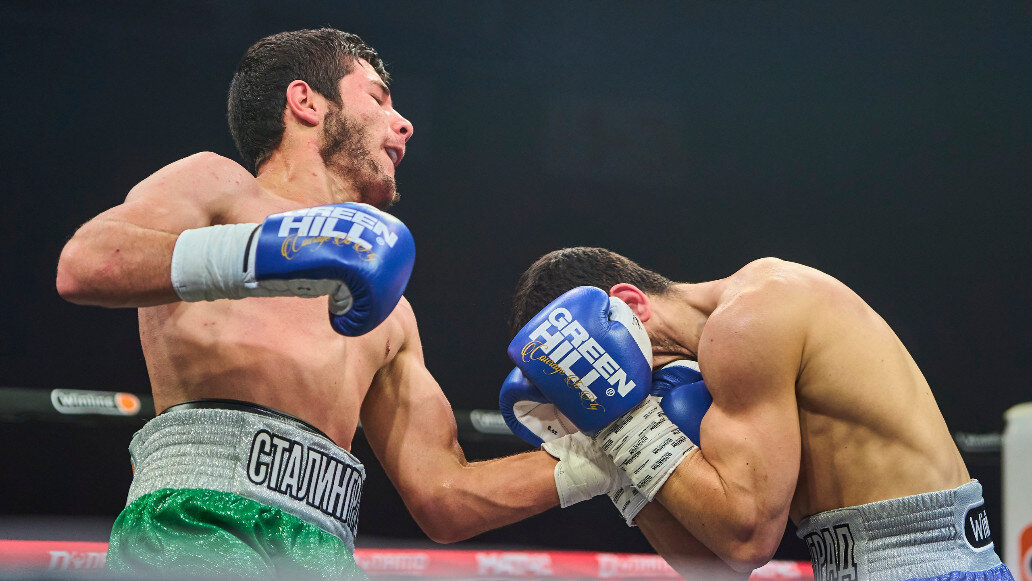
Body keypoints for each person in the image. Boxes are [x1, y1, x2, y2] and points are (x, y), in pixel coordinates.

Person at [56, 28, 571, 579]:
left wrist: (609, 458)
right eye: (377, 98)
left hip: (324, 556)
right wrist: (279, 252)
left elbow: (446, 497)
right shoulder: (220, 188)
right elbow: (89, 263)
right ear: (305, 101)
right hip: (197, 525)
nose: (404, 124)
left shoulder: (391, 314)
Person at [502, 247, 1014, 581]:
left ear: (631, 305)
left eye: (597, 365)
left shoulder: (749, 318)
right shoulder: (709, 381)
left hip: (925, 566)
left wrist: (618, 421)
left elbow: (747, 540)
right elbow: (714, 568)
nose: (636, 384)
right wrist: (612, 449)